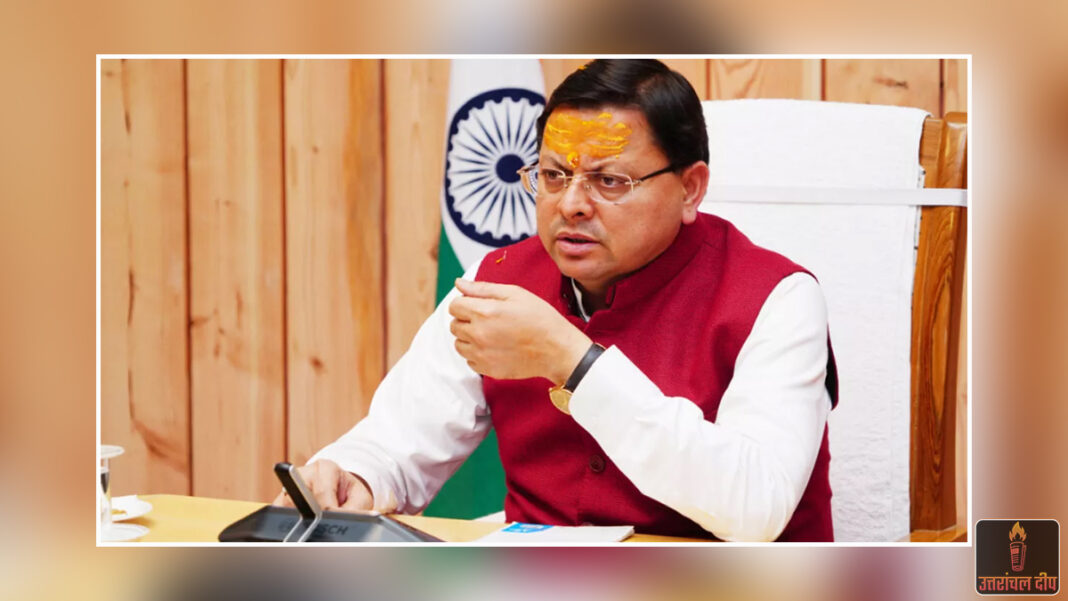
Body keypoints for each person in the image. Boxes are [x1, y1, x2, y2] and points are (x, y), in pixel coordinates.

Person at [273, 59, 838, 542]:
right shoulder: (499, 278)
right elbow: (400, 439)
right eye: (553, 175)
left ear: (690, 188)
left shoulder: (778, 298)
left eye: (609, 181)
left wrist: (572, 361)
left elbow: (756, 508)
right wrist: (357, 476)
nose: (570, 204)